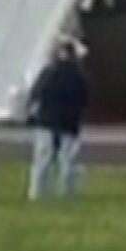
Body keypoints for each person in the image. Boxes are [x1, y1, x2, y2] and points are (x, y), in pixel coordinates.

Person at [27, 39, 89, 200]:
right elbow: (84, 99)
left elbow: (36, 93)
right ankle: (67, 193)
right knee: (67, 160)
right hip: (69, 122)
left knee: (42, 159)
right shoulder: (78, 75)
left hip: (46, 120)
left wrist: (33, 110)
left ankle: (37, 193)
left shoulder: (48, 72)